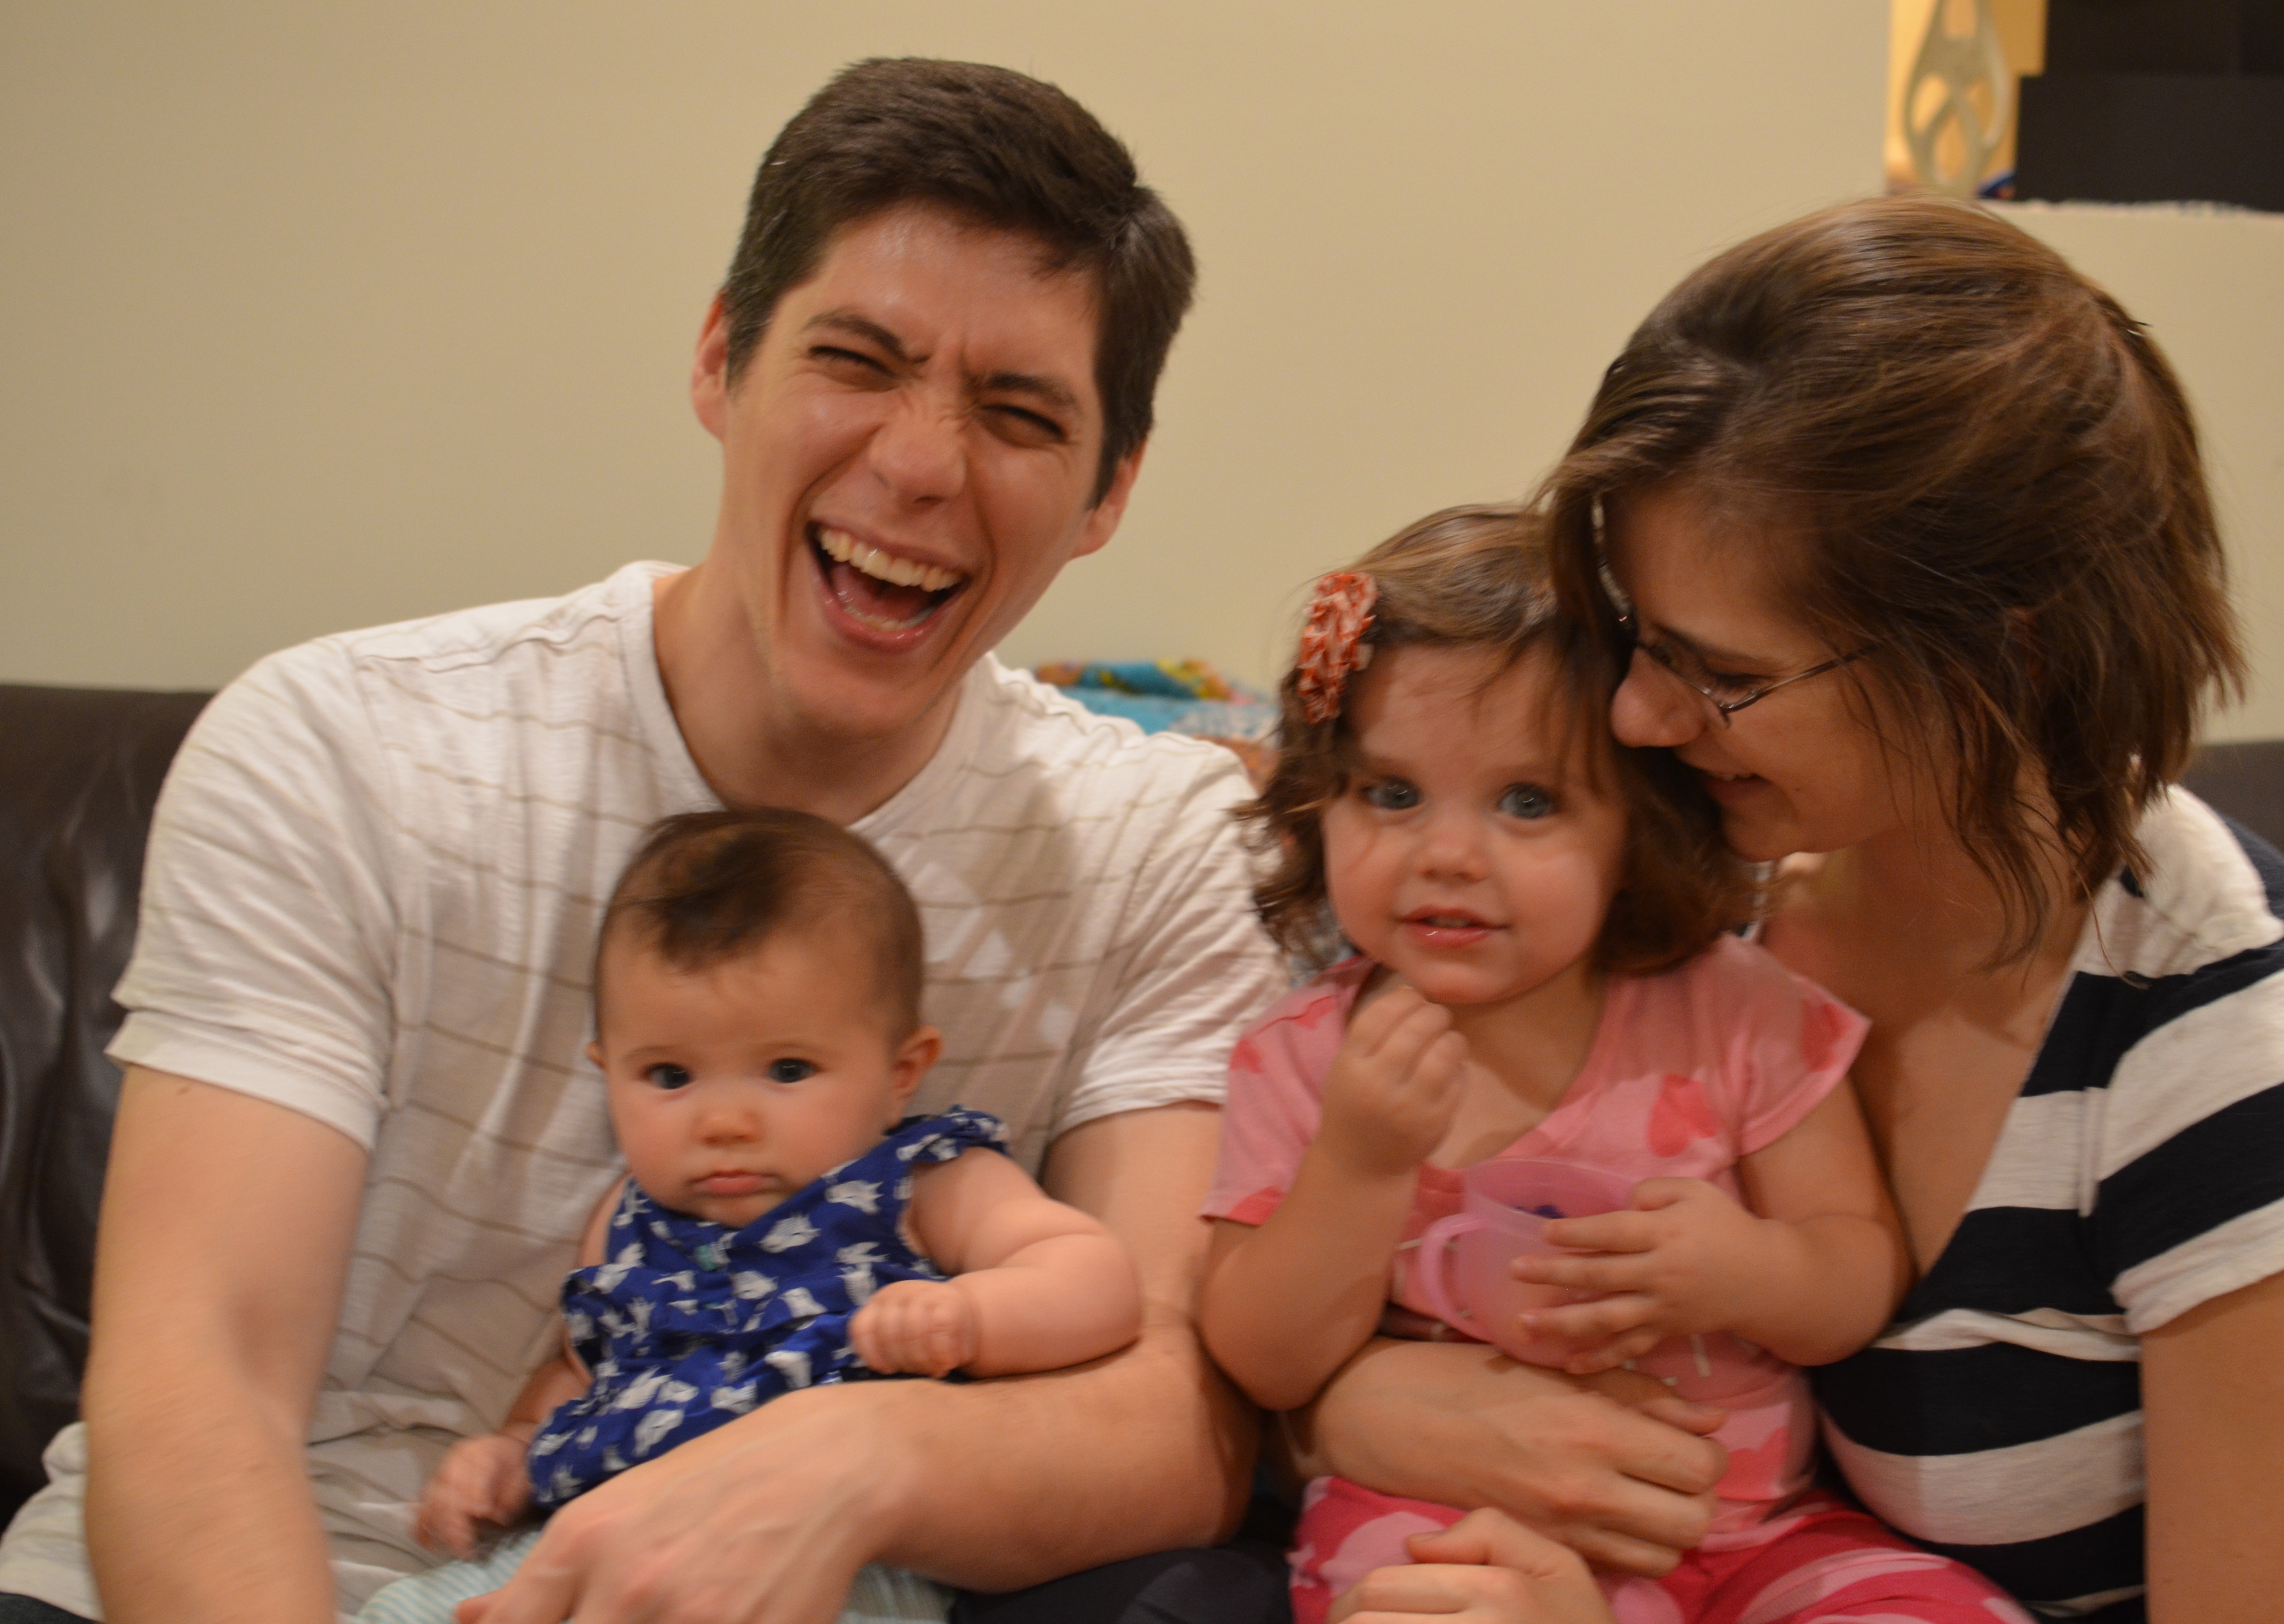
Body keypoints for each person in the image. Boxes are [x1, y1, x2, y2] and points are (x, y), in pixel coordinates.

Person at [0, 57, 1290, 1624]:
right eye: (856, 360)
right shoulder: (337, 745)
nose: (920, 464)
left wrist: (855, 1460)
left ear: (1107, 493)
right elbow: (197, 1379)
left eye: (1019, 415)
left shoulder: (1160, 842)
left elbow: (1175, 1418)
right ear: (720, 360)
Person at [1514, 196, 2284, 1623]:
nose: (1639, 716)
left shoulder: (2249, 1054)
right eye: (1638, 638)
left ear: (2006, 657)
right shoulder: (1697, 889)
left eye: (1728, 676)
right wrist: (1372, 1413)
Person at [1197, 508, 2029, 1624]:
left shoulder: (1734, 1009)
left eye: (1527, 802)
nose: (1446, 853)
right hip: (1448, 1528)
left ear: (1634, 828)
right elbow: (1263, 1363)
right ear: (1318, 804)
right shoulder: (1300, 1057)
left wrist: (1748, 1271)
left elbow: (1857, 1271)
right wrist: (1357, 1164)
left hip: (1752, 1537)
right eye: (1390, 794)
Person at [358, 808, 1145, 1624]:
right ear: (607, 1072)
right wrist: (513, 1452)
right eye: (670, 1077)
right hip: (593, 1541)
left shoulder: (917, 1181)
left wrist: (972, 1316)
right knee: (399, 1614)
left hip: (840, 1559)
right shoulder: (626, 1221)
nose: (724, 1122)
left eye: (788, 1069)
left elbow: (1095, 1277)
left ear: (901, 1072)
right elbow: (582, 1369)